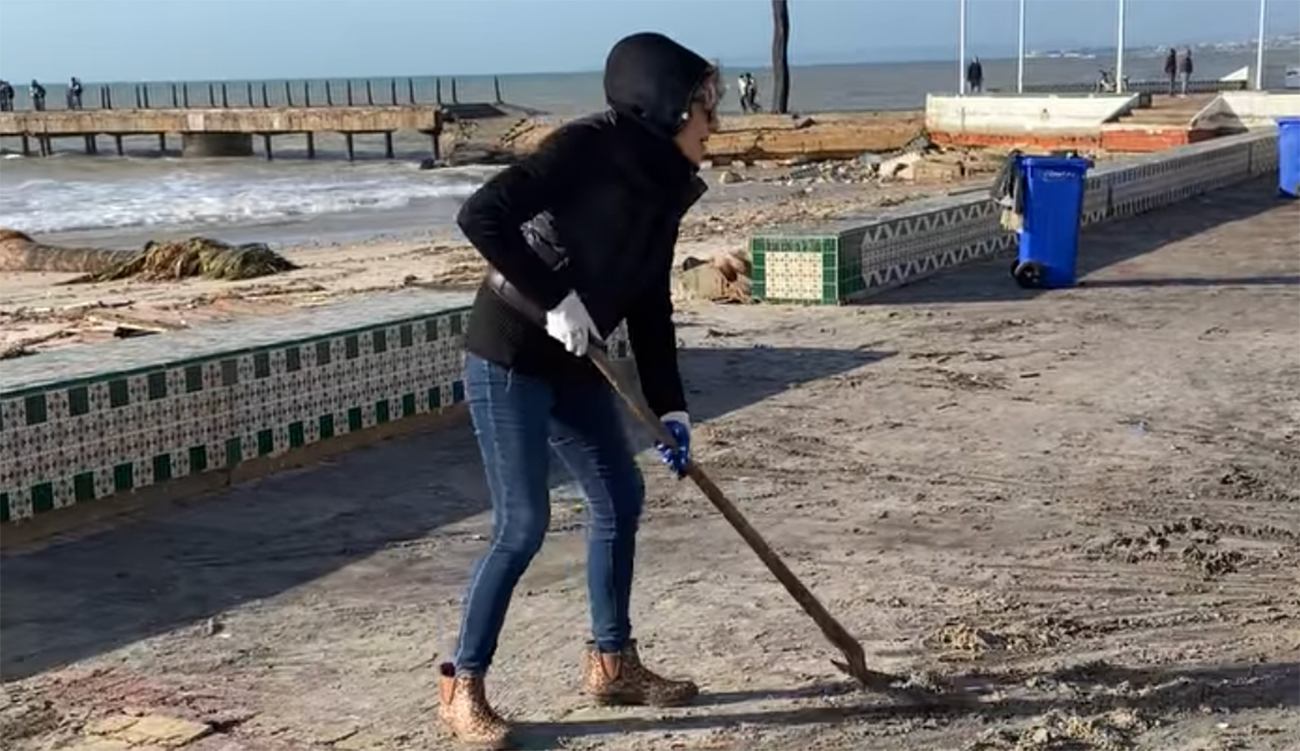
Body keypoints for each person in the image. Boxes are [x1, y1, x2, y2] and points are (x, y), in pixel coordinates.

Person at [439, 31, 722, 749]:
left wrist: (671, 409)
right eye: (703, 108)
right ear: (663, 106)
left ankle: (612, 664)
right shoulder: (583, 149)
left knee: (620, 498)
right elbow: (482, 215)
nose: (713, 124)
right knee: (523, 523)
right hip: (509, 351)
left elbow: (651, 302)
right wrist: (555, 295)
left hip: (578, 360)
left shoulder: (664, 184)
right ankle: (461, 684)